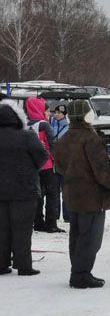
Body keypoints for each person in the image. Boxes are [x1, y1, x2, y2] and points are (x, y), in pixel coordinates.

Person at [54, 99, 110, 289]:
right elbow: (102, 172)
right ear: (87, 116)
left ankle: (77, 272)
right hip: (92, 198)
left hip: (72, 196)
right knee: (90, 239)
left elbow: (60, 167)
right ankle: (81, 275)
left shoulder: (64, 138)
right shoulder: (91, 139)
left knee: (77, 236)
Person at [0, 100, 49, 276]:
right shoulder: (27, 136)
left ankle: (1, 264)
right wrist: (31, 169)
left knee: (2, 228)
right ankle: (23, 265)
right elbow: (43, 156)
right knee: (22, 228)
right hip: (24, 190)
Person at [25, 97, 64, 233]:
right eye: (47, 110)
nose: (49, 113)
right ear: (40, 109)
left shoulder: (26, 124)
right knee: (52, 195)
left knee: (38, 195)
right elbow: (53, 145)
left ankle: (38, 222)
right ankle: (51, 223)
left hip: (33, 167)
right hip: (47, 166)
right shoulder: (44, 125)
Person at [50, 103, 70, 223]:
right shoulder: (51, 126)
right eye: (56, 113)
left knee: (66, 191)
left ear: (64, 115)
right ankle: (55, 214)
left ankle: (67, 216)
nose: (57, 115)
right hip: (53, 164)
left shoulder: (68, 128)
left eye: (59, 113)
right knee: (54, 191)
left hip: (65, 164)